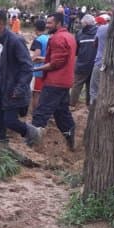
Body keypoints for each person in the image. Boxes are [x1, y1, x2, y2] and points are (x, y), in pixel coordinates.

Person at [0, 9, 40, 147]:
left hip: (11, 88)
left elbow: (27, 66)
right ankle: (1, 146)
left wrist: (20, 88)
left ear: (0, 23)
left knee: (10, 121)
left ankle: (33, 133)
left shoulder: (15, 41)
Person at [32, 13, 77, 151]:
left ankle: (31, 144)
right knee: (61, 113)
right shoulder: (69, 37)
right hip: (65, 81)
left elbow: (55, 63)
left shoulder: (57, 38)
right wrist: (43, 59)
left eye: (50, 23)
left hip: (54, 82)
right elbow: (61, 58)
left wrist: (35, 69)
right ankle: (71, 140)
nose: (47, 25)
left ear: (58, 24)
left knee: (41, 112)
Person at [69, 14, 97, 108]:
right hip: (94, 64)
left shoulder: (80, 33)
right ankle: (89, 106)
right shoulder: (98, 32)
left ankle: (72, 105)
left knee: (77, 85)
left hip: (82, 64)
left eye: (82, 23)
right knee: (91, 86)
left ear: (84, 23)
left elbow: (75, 51)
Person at [89, 14, 110, 104]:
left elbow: (94, 44)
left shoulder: (102, 29)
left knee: (94, 89)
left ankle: (93, 110)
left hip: (100, 61)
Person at [29, 19, 49, 112]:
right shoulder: (48, 38)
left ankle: (35, 114)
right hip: (48, 69)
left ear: (35, 28)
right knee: (43, 93)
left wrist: (30, 60)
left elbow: (36, 55)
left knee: (36, 94)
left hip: (38, 71)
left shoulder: (38, 40)